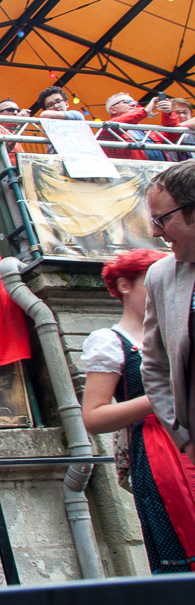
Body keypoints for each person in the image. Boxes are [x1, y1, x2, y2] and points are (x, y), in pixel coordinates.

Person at [82, 248, 195, 573]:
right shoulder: (110, 340)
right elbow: (94, 417)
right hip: (160, 451)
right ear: (125, 285)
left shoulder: (179, 328)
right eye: (152, 281)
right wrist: (164, 394)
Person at [143, 160, 195, 472]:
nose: (154, 231)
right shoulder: (162, 277)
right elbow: (155, 365)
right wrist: (185, 440)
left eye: (161, 220)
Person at [98, 91, 160, 161]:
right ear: (113, 110)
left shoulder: (145, 131)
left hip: (160, 169)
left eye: (135, 103)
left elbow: (171, 136)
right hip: (128, 170)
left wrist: (169, 113)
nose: (133, 104)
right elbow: (124, 120)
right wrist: (145, 111)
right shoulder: (106, 127)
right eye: (126, 102)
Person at [156, 97, 195, 162]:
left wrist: (178, 127)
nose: (182, 116)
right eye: (177, 113)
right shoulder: (162, 133)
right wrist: (177, 128)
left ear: (190, 114)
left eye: (185, 112)